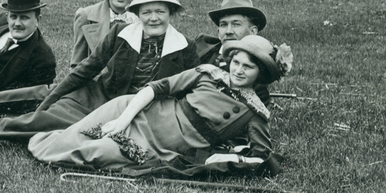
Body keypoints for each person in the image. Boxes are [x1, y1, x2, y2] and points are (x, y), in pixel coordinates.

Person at [27, 35, 286, 177]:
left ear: (260, 74)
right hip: (138, 111)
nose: (238, 71)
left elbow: (261, 155)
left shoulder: (254, 112)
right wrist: (123, 120)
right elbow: (157, 88)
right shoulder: (208, 74)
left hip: (163, 145)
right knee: (77, 134)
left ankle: (53, 153)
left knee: (98, 152)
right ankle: (42, 142)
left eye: (248, 67)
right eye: (236, 63)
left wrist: (230, 157)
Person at [0, 0, 197, 142]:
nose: (153, 18)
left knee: (80, 137)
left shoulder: (186, 47)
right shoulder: (120, 34)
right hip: (99, 102)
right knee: (48, 121)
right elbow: (85, 70)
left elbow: (192, 92)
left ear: (171, 13)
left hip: (149, 116)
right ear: (138, 14)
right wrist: (48, 102)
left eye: (160, 11)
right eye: (147, 12)